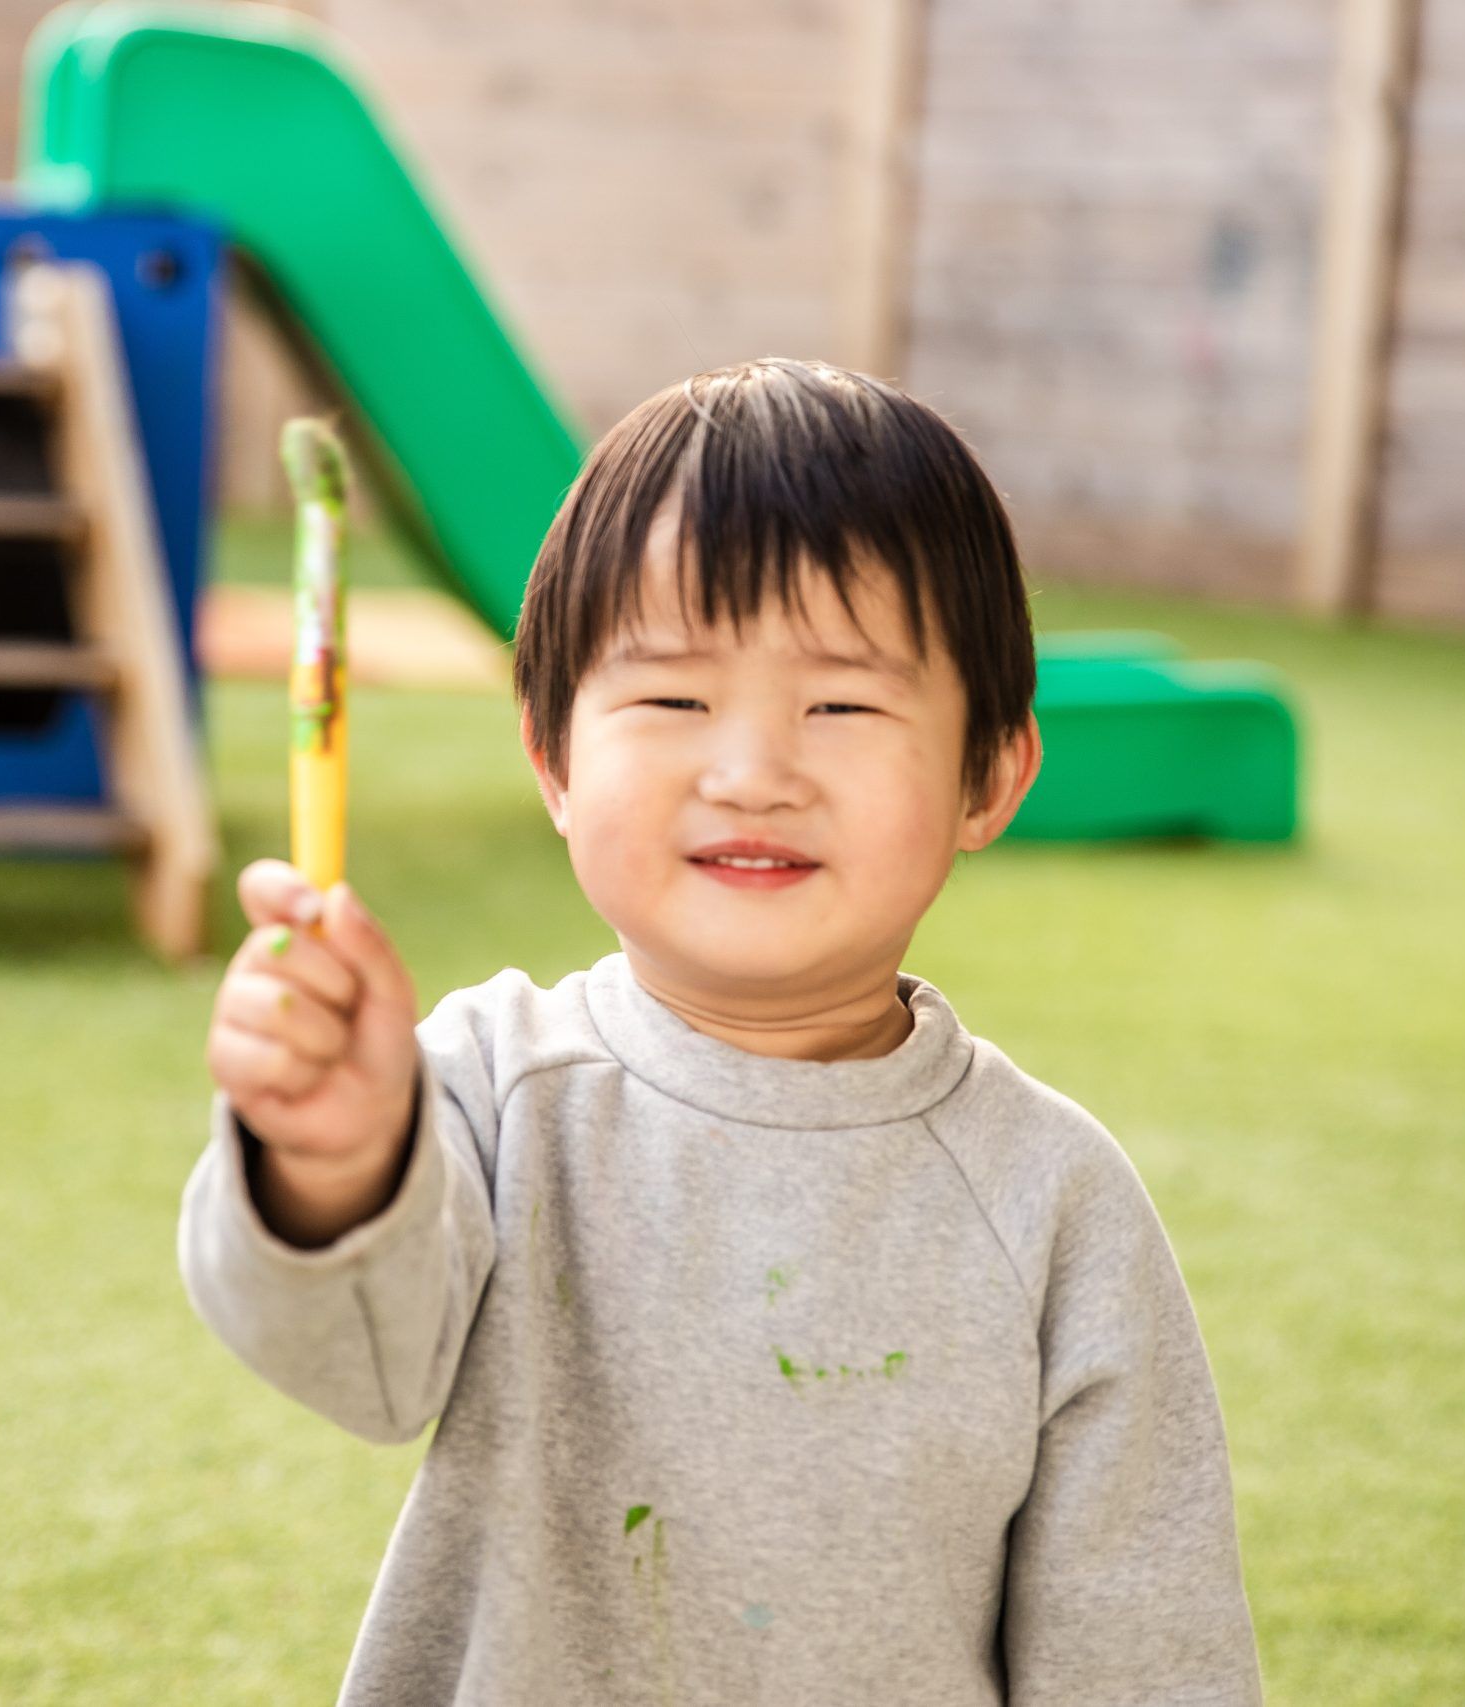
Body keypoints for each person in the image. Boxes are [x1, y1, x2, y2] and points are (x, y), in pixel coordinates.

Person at [184, 358, 1263, 1704]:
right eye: (675, 701)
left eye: (843, 705)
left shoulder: (1055, 1201)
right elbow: (357, 1368)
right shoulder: (485, 1092)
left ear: (989, 774)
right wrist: (335, 1161)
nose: (753, 774)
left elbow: (1143, 1641)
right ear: (553, 759)